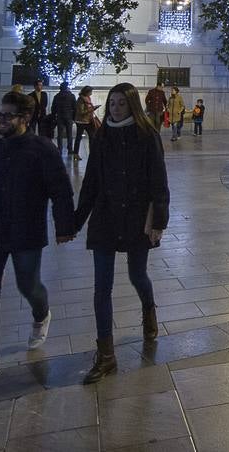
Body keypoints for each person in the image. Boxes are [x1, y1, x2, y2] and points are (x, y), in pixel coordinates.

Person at [0, 90, 75, 388]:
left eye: (7, 116)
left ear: (25, 118)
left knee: (28, 284)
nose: (1, 120)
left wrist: (64, 226)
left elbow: (60, 190)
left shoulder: (42, 150)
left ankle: (41, 314)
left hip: (26, 231)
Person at [74, 83, 170, 383]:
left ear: (132, 105)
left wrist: (158, 222)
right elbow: (91, 182)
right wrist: (74, 223)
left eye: (121, 103)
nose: (115, 109)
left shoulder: (147, 135)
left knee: (137, 274)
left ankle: (148, 309)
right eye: (112, 103)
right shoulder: (102, 136)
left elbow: (159, 181)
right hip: (105, 218)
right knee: (101, 287)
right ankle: (106, 356)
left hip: (136, 218)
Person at [51, 81, 76, 157]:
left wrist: (53, 116)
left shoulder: (57, 96)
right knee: (69, 134)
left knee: (60, 134)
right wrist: (74, 118)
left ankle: (60, 149)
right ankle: (70, 149)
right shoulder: (71, 96)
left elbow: (53, 107)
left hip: (60, 117)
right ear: (66, 87)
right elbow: (75, 107)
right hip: (69, 117)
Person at [73, 86, 97, 160]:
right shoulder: (81, 99)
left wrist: (92, 108)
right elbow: (81, 112)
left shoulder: (88, 98)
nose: (91, 93)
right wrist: (92, 109)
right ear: (86, 92)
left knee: (92, 136)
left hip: (88, 120)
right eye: (90, 92)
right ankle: (76, 154)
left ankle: (92, 153)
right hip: (81, 121)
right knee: (78, 137)